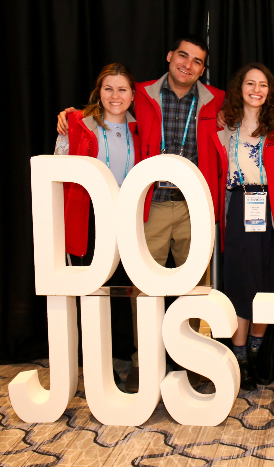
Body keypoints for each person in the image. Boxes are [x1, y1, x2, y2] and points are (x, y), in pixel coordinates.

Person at [58, 35, 226, 392]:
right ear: (169, 56)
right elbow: (107, 113)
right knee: (143, 289)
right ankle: (143, 360)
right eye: (183, 55)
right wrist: (70, 116)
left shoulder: (216, 101)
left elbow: (253, 107)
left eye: (197, 61)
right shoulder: (145, 94)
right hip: (150, 205)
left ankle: (194, 362)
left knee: (195, 288)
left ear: (202, 68)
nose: (188, 64)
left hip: (193, 207)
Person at [54, 62, 141, 383]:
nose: (115, 96)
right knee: (94, 294)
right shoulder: (78, 124)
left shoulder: (143, 127)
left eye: (122, 89)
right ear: (98, 91)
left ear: (133, 94)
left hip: (130, 221)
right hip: (91, 221)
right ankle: (96, 364)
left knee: (130, 295)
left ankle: (130, 362)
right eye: (108, 88)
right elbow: (59, 171)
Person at [212, 63, 274, 390]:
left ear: (269, 90)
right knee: (240, 286)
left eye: (263, 85)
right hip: (239, 210)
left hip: (272, 212)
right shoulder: (223, 124)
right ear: (239, 88)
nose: (256, 90)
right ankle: (240, 358)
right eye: (250, 83)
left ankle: (256, 356)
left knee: (270, 285)